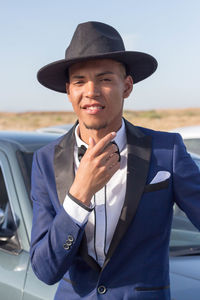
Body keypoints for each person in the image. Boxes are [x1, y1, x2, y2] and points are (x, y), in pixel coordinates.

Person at [30, 21, 200, 300]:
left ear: (127, 86)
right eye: (79, 81)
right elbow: (45, 270)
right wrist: (80, 193)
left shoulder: (166, 151)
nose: (92, 91)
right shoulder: (45, 161)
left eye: (105, 79)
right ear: (69, 91)